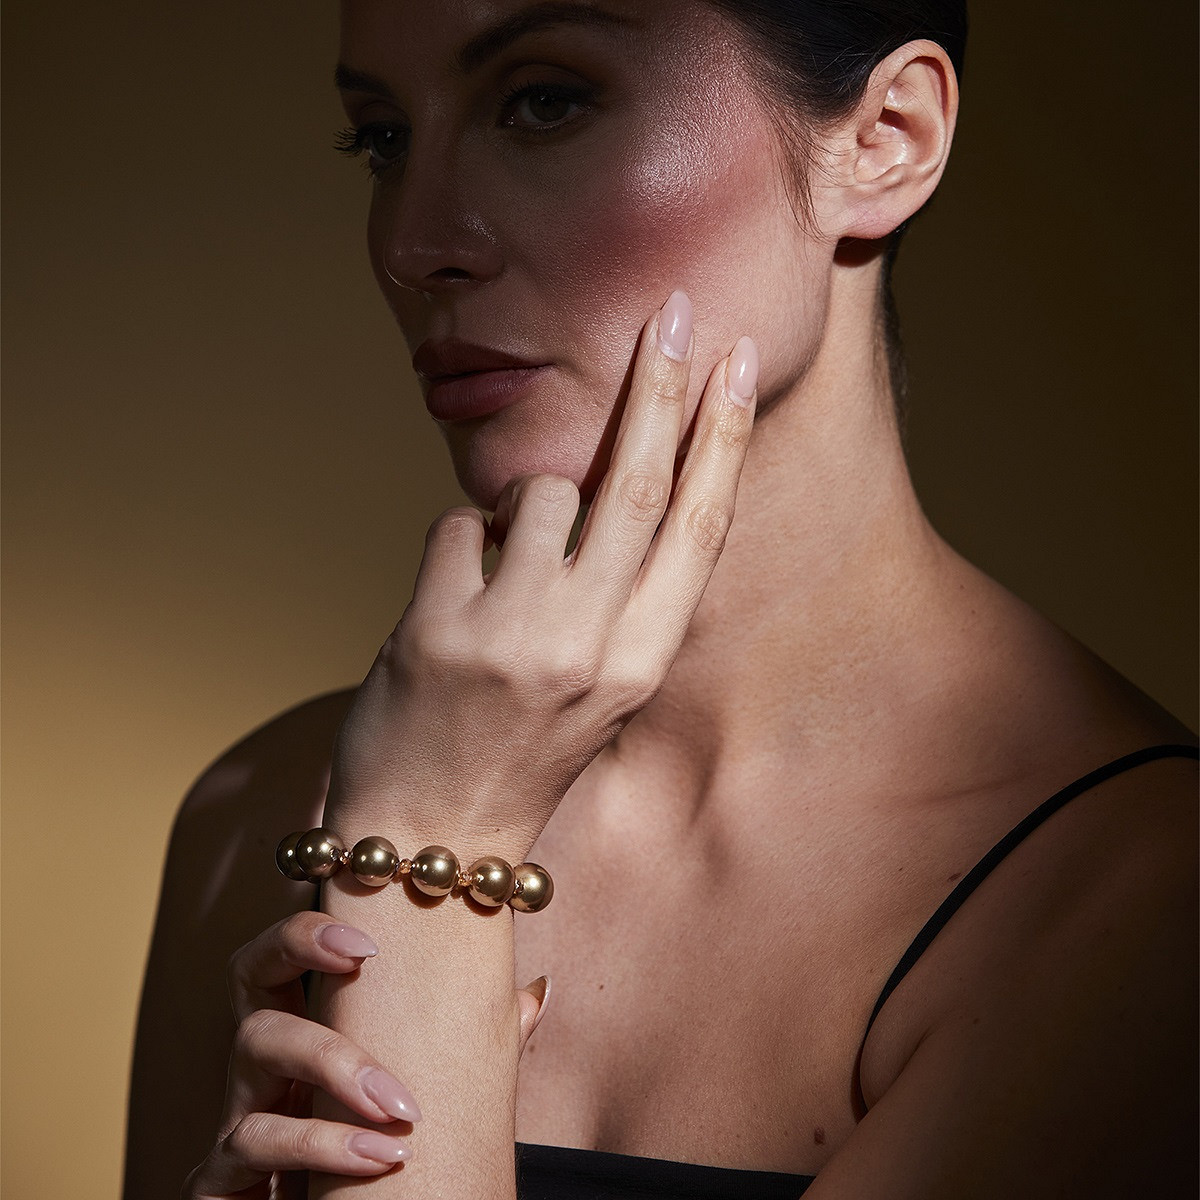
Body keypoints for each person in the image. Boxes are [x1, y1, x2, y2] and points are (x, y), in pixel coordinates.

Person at [124, 2, 1198, 1197]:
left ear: (885, 138)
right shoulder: (262, 815)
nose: (415, 244)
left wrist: (432, 855)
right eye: (383, 139)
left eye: (543, 102)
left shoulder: (1140, 902)